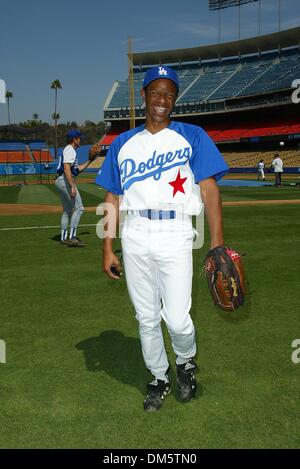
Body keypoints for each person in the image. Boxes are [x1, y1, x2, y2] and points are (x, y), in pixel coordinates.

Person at [96, 66, 228, 412]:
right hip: (136, 234)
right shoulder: (122, 144)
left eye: (169, 93)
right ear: (144, 96)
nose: (162, 99)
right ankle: (159, 377)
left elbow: (210, 190)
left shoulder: (193, 135)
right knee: (145, 318)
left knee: (178, 319)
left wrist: (217, 244)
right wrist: (108, 247)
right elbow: (113, 200)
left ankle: (185, 362)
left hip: (176, 232)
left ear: (175, 99)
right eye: (156, 91)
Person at [55, 129, 92, 246]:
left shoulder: (69, 150)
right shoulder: (70, 150)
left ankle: (64, 238)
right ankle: (72, 237)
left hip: (61, 180)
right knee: (80, 209)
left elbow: (78, 169)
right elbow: (66, 168)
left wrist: (91, 160)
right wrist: (72, 187)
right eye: (79, 138)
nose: (80, 140)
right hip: (65, 180)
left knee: (68, 211)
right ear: (74, 139)